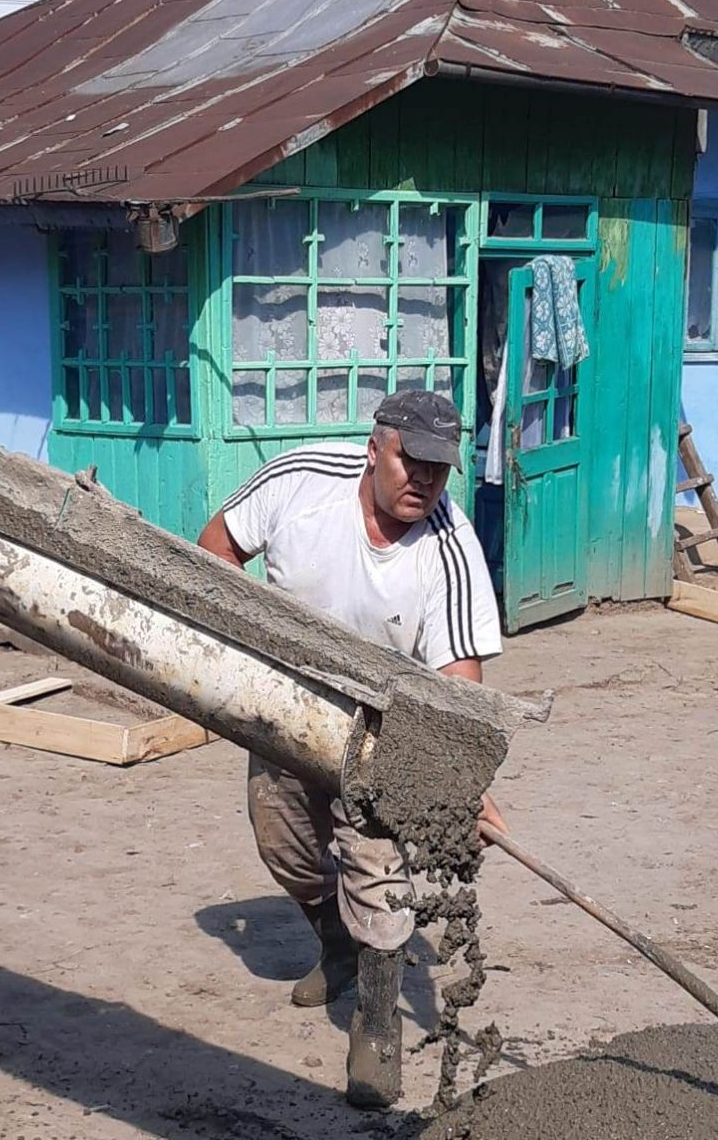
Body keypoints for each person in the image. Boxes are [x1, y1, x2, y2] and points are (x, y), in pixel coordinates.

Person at [197, 389, 506, 1110]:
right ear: (374, 448)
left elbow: (458, 683)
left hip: (382, 734)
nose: (423, 480)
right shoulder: (300, 482)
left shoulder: (449, 548)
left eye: (439, 469)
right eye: (410, 461)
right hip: (285, 703)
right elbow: (215, 549)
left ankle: (375, 1022)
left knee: (377, 873)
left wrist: (459, 784)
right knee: (283, 845)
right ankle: (336, 942)